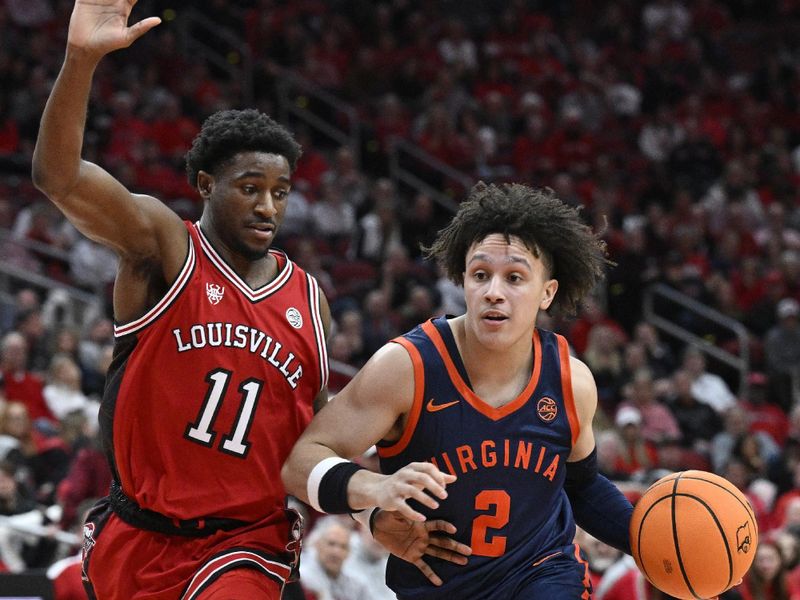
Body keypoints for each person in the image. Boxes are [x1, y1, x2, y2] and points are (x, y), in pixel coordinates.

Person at [31, 2, 333, 597]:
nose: (268, 207)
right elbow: (58, 177)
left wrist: (377, 493)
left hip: (246, 544)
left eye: (280, 192)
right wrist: (81, 59)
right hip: (138, 535)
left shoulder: (307, 296)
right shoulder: (166, 247)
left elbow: (324, 426)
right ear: (205, 185)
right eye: (250, 189)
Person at [283, 182, 635, 598]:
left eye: (515, 277)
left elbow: (581, 486)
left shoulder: (570, 381)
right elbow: (299, 464)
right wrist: (373, 495)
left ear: (547, 293)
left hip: (543, 573)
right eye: (480, 275)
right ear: (462, 280)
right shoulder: (407, 367)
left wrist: (655, 542)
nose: (493, 292)